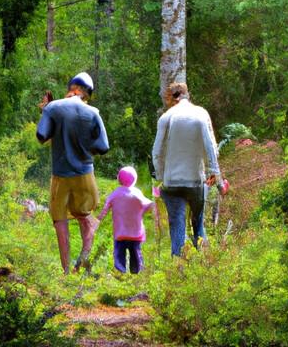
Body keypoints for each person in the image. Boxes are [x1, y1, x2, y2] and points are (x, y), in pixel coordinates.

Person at [36, 71, 109, 274]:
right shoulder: (93, 113)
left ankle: (66, 271)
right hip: (85, 175)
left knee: (60, 221)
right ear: (86, 94)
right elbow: (103, 147)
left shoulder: (53, 108)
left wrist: (47, 113)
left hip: (60, 176)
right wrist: (84, 147)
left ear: (71, 89)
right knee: (85, 218)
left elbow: (41, 135)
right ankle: (83, 260)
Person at [152, 82, 227, 256]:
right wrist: (217, 178)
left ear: (170, 98)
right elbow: (211, 148)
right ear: (188, 95)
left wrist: (162, 177)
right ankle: (203, 261)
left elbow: (156, 152)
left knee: (177, 224)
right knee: (197, 223)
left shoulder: (166, 117)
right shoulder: (201, 114)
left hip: (171, 183)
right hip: (195, 181)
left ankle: (178, 268)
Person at [97, 166, 154, 273]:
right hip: (135, 233)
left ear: (119, 179)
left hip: (120, 233)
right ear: (135, 179)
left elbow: (105, 207)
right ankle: (136, 272)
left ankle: (120, 270)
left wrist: (98, 220)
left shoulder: (115, 193)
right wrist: (144, 211)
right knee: (135, 253)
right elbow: (149, 204)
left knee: (119, 253)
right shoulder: (137, 193)